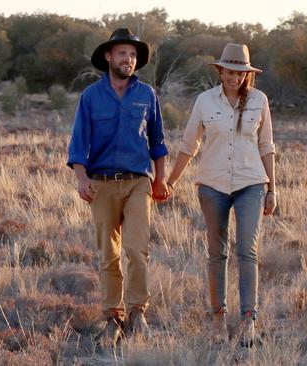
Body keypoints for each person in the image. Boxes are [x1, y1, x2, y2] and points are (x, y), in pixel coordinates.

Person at [165, 43, 276, 346]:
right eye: (229, 71)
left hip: (251, 183)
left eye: (240, 72)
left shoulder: (259, 101)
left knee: (247, 251)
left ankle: (248, 321)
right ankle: (218, 321)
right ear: (220, 71)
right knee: (217, 253)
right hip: (212, 185)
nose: (234, 77)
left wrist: (272, 189)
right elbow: (189, 145)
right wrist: (171, 182)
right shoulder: (204, 101)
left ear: (247, 74)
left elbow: (266, 146)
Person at [67, 28, 170, 347]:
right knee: (108, 255)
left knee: (137, 250)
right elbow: (78, 144)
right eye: (123, 53)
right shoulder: (90, 97)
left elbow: (158, 140)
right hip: (101, 185)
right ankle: (113, 317)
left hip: (139, 182)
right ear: (109, 57)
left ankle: (138, 313)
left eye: (134, 55)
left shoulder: (147, 95)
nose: (129, 59)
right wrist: (82, 179)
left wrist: (161, 177)